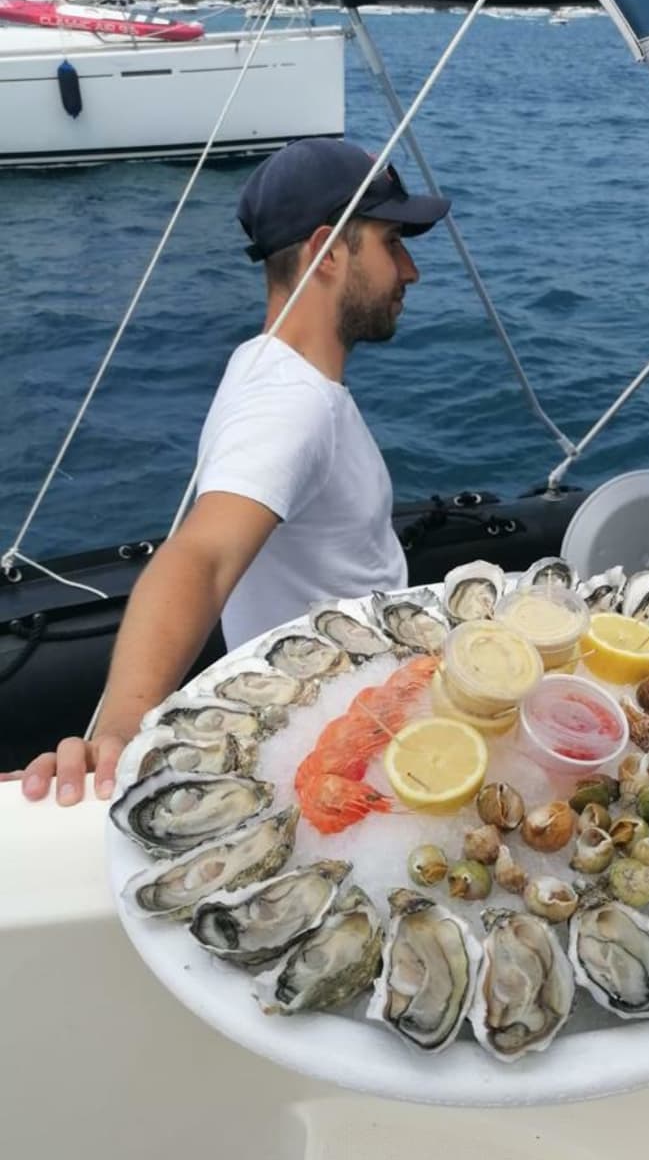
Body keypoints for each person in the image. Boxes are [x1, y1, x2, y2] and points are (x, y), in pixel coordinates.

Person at [6, 138, 450, 806]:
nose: (410, 270)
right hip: (347, 747)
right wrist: (122, 733)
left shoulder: (261, 363)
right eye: (392, 243)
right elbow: (204, 554)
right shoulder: (291, 405)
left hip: (366, 696)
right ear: (328, 252)